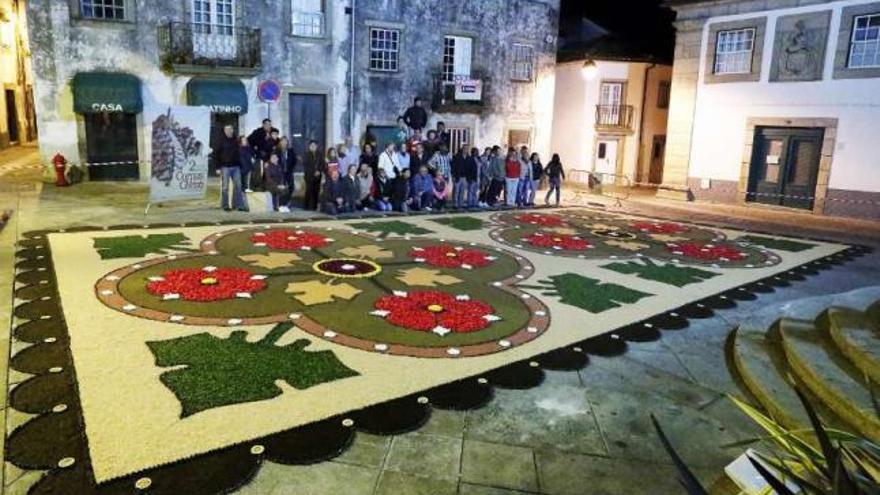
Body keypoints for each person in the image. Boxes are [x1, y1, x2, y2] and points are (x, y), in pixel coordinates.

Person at [215, 125, 247, 212]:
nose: (229, 131)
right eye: (227, 129)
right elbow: (216, 154)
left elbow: (238, 153)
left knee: (238, 186)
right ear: (224, 131)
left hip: (236, 166)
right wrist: (217, 167)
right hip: (225, 166)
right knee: (225, 187)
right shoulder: (220, 140)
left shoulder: (236, 140)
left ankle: (239, 205)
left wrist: (240, 165)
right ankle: (225, 205)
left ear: (232, 130)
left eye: (230, 129)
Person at [302, 140, 326, 211]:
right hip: (309, 176)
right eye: (311, 146)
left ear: (316, 146)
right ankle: (306, 206)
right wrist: (313, 172)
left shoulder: (320, 154)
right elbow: (306, 165)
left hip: (318, 176)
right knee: (309, 191)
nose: (313, 147)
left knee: (316, 191)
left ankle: (314, 207)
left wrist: (319, 171)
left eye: (314, 145)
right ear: (309, 147)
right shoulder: (306, 154)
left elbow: (323, 164)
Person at [275, 137, 297, 211]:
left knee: (291, 187)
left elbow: (294, 160)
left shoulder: (290, 150)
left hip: (289, 171)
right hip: (280, 172)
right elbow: (274, 160)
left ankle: (288, 202)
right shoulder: (277, 151)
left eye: (285, 141)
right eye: (282, 141)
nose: (284, 143)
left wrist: (291, 168)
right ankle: (281, 204)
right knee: (282, 188)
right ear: (280, 142)